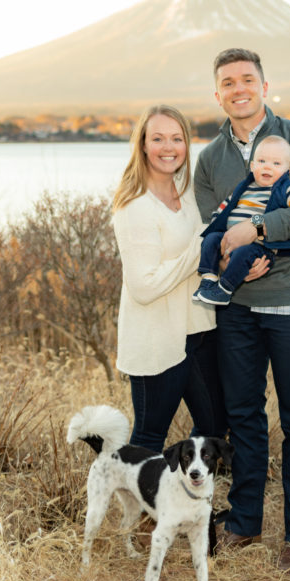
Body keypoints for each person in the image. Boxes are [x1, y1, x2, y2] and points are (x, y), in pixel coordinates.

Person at [193, 48, 290, 572]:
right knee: (244, 415)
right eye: (228, 82)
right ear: (218, 94)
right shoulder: (211, 158)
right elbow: (212, 223)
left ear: (264, 85)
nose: (239, 88)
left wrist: (257, 232)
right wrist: (232, 254)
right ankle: (245, 521)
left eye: (247, 79)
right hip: (235, 307)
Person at [111, 104, 227, 453]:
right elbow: (144, 287)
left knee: (214, 424)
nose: (168, 147)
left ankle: (182, 496)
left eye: (177, 138)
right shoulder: (134, 206)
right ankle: (140, 507)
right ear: (143, 144)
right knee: (149, 436)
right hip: (156, 335)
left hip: (198, 330)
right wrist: (201, 248)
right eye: (158, 138)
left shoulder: (189, 192)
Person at [194, 135, 290, 306]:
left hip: (260, 241)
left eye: (276, 164)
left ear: (287, 171)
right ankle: (208, 279)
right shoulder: (245, 188)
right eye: (261, 161)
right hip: (229, 236)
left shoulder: (284, 189)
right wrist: (217, 222)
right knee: (210, 239)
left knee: (242, 254)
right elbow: (226, 206)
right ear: (252, 166)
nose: (268, 166)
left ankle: (224, 290)